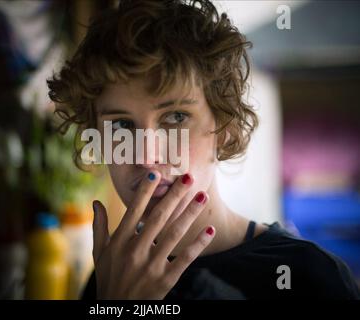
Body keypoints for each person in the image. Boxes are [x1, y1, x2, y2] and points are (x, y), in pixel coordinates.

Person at [47, 0, 360, 299]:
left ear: (223, 129)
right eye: (120, 126)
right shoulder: (115, 271)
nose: (145, 156)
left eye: (176, 117)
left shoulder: (311, 276)